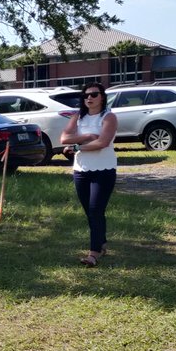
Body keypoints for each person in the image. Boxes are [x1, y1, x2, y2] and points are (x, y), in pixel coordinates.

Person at [60, 82, 118, 267]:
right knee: (91, 212)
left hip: (104, 170)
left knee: (95, 210)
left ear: (102, 96)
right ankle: (101, 243)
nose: (89, 98)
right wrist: (86, 137)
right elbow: (64, 139)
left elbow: (103, 142)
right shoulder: (78, 117)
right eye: (86, 96)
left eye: (93, 94)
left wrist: (77, 146)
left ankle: (93, 254)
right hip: (81, 171)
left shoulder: (109, 117)